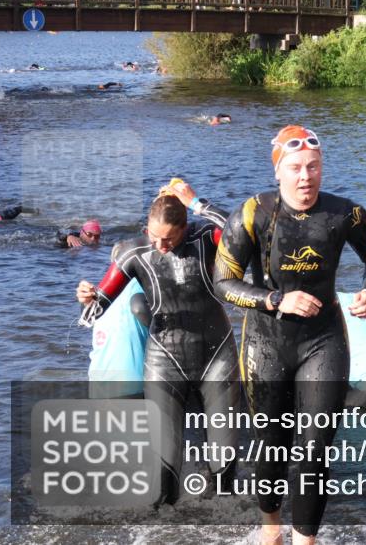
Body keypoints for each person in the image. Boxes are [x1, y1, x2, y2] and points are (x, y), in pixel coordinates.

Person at [213, 125, 366, 544]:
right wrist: (276, 299)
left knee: (315, 449)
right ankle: (271, 530)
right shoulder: (253, 213)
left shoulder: (345, 213)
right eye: (295, 168)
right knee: (271, 448)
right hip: (265, 342)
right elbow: (223, 282)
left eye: (313, 167)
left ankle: (305, 540)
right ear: (278, 171)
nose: (305, 177)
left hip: (323, 340)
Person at [75, 181, 241, 505]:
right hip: (164, 361)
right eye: (154, 236)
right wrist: (87, 297)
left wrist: (197, 203)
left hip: (217, 356)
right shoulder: (133, 252)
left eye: (169, 238)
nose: (161, 244)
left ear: (185, 228)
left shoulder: (205, 238)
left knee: (225, 476)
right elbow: (95, 310)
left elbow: (241, 230)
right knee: (164, 482)